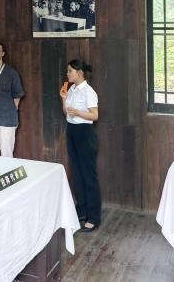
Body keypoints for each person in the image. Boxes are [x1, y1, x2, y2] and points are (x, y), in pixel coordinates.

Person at [60, 58, 101, 232]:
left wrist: (77, 112)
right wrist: (64, 99)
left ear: (79, 73)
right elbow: (66, 113)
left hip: (85, 133)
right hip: (72, 131)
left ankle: (94, 217)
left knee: (89, 176)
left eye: (70, 71)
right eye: (68, 71)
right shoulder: (71, 89)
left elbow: (95, 116)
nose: (67, 73)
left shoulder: (88, 91)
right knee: (77, 174)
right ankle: (82, 210)